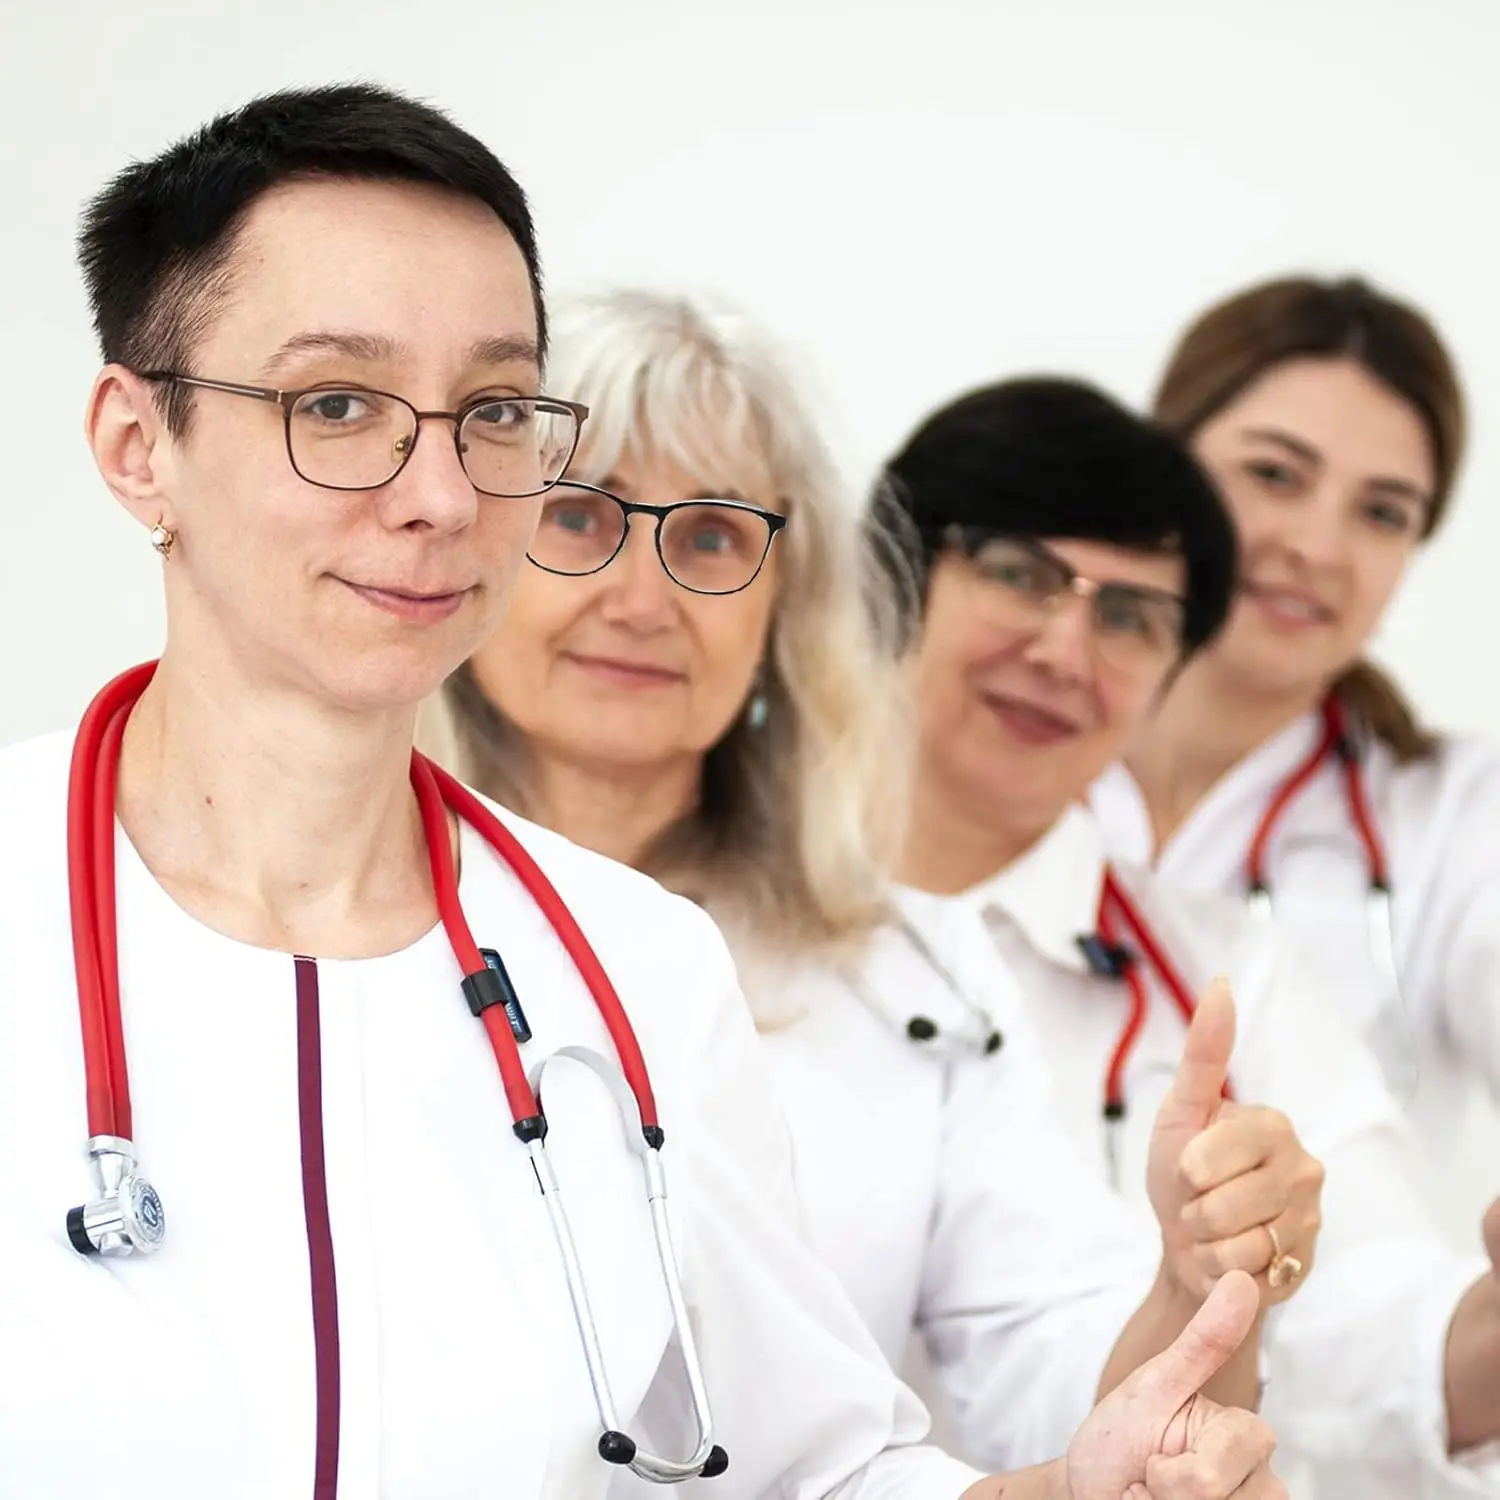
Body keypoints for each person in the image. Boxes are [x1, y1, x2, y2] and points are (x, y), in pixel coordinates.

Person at [0, 84, 1286, 1500]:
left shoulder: (643, 974)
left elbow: (811, 1472)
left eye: (492, 413)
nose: (436, 493)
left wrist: (1070, 1485)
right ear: (137, 446)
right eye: (340, 404)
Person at [424, 286, 1315, 1477]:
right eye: (581, 518)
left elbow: (1080, 1394)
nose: (642, 599)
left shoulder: (920, 985)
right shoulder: (315, 913)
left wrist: (1193, 1274)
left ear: (783, 615)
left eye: (711, 538)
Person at [877, 372, 1500, 1498]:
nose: (1068, 653)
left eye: (1130, 617)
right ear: (890, 579)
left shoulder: (1229, 977)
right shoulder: (682, 916)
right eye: (1021, 575)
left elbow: (1365, 1293)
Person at [1086, 275, 1500, 1251]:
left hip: (1331, 1396)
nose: (1317, 545)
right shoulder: (1000, 766)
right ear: (1165, 470)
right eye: (1275, 474)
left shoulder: (1453, 816)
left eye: (1384, 513)